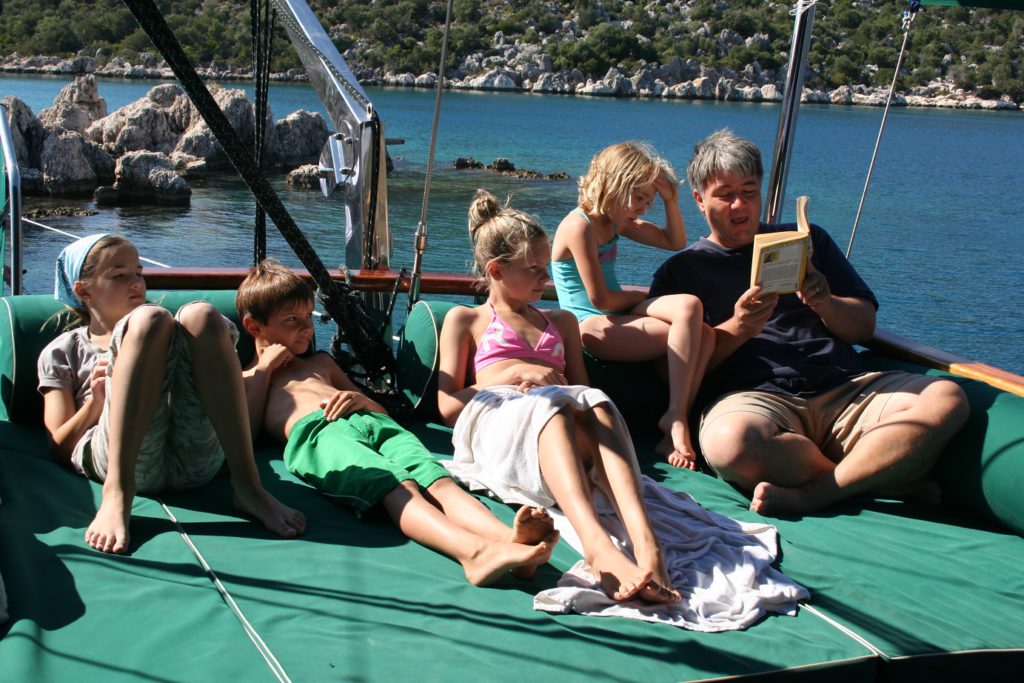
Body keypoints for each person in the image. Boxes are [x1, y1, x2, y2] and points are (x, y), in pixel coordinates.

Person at [649, 129, 970, 515]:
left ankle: (819, 493)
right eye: (726, 194)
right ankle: (875, 473)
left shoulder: (806, 240)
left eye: (750, 191)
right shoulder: (680, 273)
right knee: (729, 443)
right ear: (700, 200)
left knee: (946, 397)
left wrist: (826, 301)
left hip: (843, 387)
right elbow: (674, 375)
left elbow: (863, 328)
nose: (740, 204)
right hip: (755, 401)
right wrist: (738, 328)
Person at [237, 259, 558, 586]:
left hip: (371, 421)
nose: (306, 328)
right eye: (291, 320)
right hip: (318, 434)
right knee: (397, 486)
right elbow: (242, 436)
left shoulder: (320, 362)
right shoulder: (245, 379)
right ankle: (473, 553)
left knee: (439, 481)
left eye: (307, 316)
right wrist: (263, 371)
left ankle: (512, 540)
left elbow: (382, 411)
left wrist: (362, 400)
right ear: (254, 327)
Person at [437, 189, 679, 604]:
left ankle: (646, 542)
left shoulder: (562, 322)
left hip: (559, 428)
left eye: (545, 268)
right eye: (533, 270)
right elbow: (446, 409)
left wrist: (551, 388)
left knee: (594, 402)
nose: (544, 280)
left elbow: (582, 390)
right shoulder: (468, 319)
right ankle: (598, 547)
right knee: (552, 406)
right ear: (496, 270)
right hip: (500, 424)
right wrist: (512, 372)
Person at [38, 234, 306, 555]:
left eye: (139, 272)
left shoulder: (170, 330)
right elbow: (57, 444)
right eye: (119, 276)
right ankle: (117, 493)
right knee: (150, 319)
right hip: (122, 458)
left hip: (195, 461)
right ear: (84, 291)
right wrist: (95, 402)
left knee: (200, 316)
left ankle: (248, 486)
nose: (136, 282)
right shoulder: (64, 350)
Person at [551, 142, 714, 470]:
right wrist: (642, 298)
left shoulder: (615, 222)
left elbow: (674, 241)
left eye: (649, 201)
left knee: (695, 314)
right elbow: (601, 299)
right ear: (614, 185)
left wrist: (671, 200)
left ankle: (675, 417)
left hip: (617, 315)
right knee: (696, 334)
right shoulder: (579, 225)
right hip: (589, 325)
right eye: (639, 198)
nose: (643, 207)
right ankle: (677, 419)